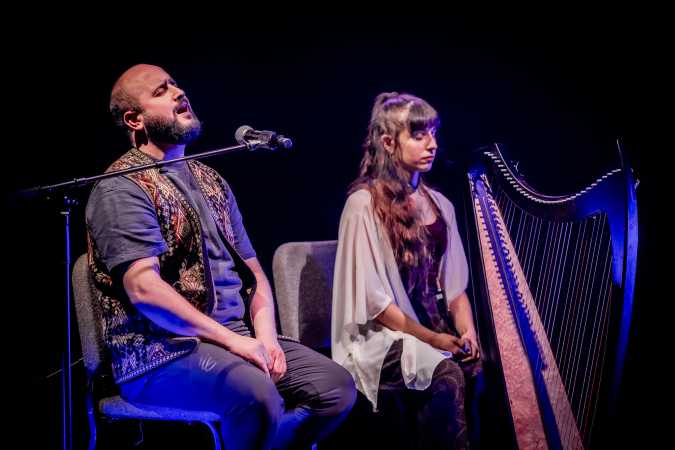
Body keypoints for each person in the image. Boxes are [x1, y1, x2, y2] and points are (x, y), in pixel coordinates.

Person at [86, 64, 355, 450]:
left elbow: (254, 274)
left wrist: (265, 338)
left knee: (334, 388)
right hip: (160, 354)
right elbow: (144, 290)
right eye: (161, 91)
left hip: (236, 338)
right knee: (256, 394)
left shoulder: (211, 180)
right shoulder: (122, 187)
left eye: (176, 84)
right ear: (135, 119)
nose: (179, 92)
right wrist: (236, 343)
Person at [331, 92, 481, 449]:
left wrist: (467, 330)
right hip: (381, 334)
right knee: (446, 374)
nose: (432, 144)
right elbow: (375, 305)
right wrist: (431, 340)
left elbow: (455, 286)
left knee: (484, 364)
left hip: (432, 326)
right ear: (388, 142)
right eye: (418, 135)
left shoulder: (440, 204)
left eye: (433, 133)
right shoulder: (362, 205)